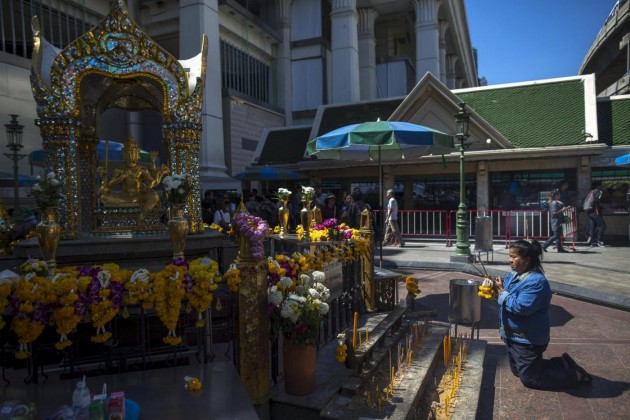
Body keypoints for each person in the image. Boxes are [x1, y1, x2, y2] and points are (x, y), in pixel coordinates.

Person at [493, 239, 592, 389]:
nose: (510, 260)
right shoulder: (514, 274)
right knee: (517, 371)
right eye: (510, 256)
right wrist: (495, 289)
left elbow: (521, 307)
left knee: (530, 379)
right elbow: (505, 294)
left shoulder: (536, 282)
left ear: (527, 260)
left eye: (514, 257)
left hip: (527, 338)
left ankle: (576, 375)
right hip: (512, 334)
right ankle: (561, 363)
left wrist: (501, 292)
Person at [98, 136, 169, 223]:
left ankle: (141, 217)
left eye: (132, 153)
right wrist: (121, 177)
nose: (130, 156)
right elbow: (110, 185)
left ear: (137, 154)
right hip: (123, 196)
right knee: (104, 198)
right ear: (124, 154)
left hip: (138, 196)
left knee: (154, 197)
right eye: (127, 153)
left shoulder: (141, 169)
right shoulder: (120, 169)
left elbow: (153, 182)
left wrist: (151, 182)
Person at [584, 181, 606, 247]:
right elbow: (596, 201)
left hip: (589, 211)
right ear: (598, 186)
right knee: (603, 226)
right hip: (595, 211)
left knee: (592, 227)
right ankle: (599, 241)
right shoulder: (598, 192)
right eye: (601, 185)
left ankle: (593, 242)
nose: (602, 187)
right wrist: (601, 206)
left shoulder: (591, 192)